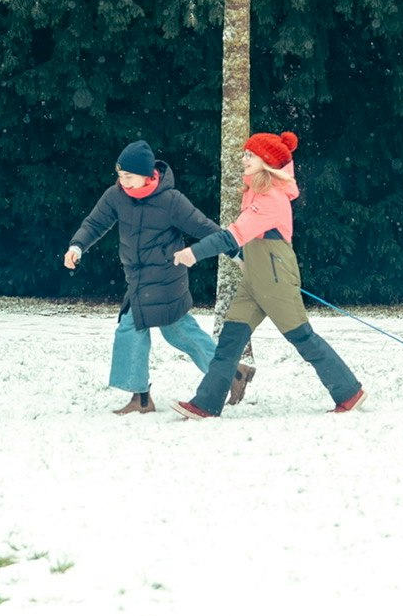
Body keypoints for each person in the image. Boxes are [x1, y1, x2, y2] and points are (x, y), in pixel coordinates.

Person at [171, 131, 364, 417]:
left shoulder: (271, 198)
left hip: (275, 278)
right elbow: (246, 238)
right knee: (230, 339)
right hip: (254, 278)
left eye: (250, 155)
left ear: (267, 161)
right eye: (245, 154)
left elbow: (233, 235)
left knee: (302, 337)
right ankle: (206, 404)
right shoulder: (256, 193)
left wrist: (193, 253)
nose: (244, 158)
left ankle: (349, 392)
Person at [63, 140, 223, 413]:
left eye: (129, 176)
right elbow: (95, 223)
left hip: (166, 276)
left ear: (148, 175)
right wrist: (77, 245)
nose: (122, 181)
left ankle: (143, 399)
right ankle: (230, 373)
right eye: (120, 176)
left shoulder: (171, 200)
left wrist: (233, 247)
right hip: (137, 278)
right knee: (178, 330)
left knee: (134, 326)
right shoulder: (116, 195)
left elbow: (203, 227)